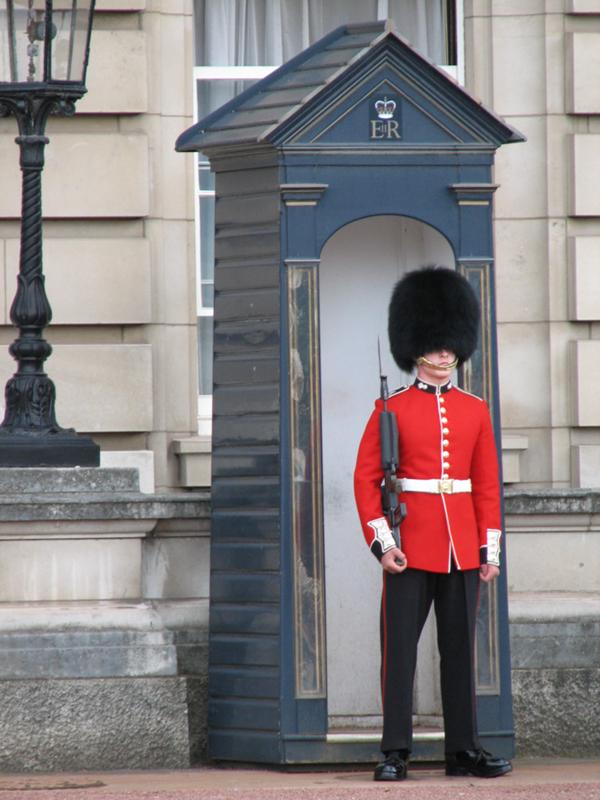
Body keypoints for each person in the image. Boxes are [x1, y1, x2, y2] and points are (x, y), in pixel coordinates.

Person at [353, 266, 512, 782]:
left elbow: (486, 485)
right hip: (410, 544)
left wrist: (488, 551)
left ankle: (462, 749)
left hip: (462, 548)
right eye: (436, 346)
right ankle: (395, 750)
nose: (444, 355)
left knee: (460, 653)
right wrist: (383, 544)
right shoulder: (390, 409)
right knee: (398, 652)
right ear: (416, 347)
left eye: (450, 346)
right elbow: (365, 481)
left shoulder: (475, 410)